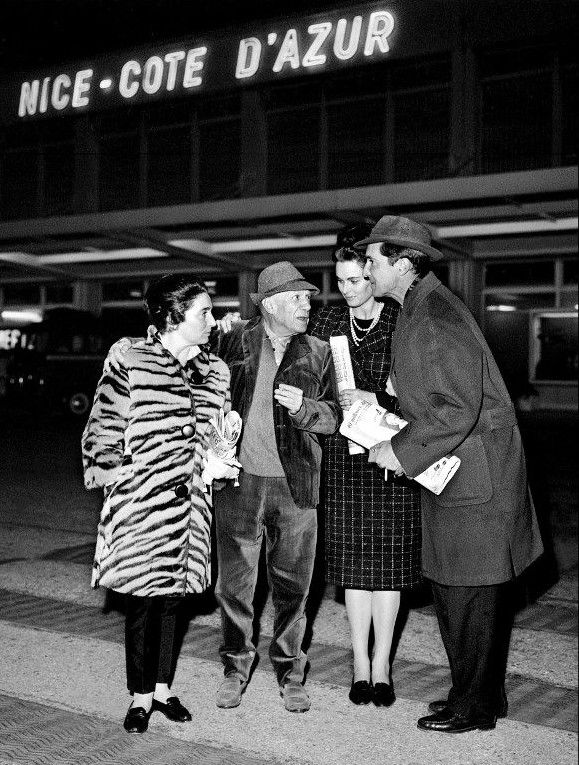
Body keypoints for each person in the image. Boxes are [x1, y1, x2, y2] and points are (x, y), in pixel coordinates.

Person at [357, 215, 543, 733]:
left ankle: (475, 708)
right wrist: (382, 404)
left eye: (372, 260)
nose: (367, 269)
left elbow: (456, 405)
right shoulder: (421, 309)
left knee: (468, 599)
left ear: (400, 262)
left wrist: (400, 449)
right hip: (462, 477)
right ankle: (477, 694)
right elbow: (433, 392)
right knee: (461, 597)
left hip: (475, 485)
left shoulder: (434, 315)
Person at [82, 274, 235, 734]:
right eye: (203, 313)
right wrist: (118, 488)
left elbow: (218, 436)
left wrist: (218, 463)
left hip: (191, 507)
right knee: (142, 603)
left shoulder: (216, 372)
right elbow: (103, 427)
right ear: (173, 317)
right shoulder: (131, 357)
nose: (211, 321)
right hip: (142, 506)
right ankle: (140, 696)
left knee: (174, 602)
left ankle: (164, 690)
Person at [212, 261, 340, 713]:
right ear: (269, 304)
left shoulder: (320, 352)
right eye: (297, 297)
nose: (309, 304)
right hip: (239, 482)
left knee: (294, 588)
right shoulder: (230, 340)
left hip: (295, 487)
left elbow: (335, 416)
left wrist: (306, 408)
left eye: (308, 297)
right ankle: (234, 667)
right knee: (234, 586)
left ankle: (290, 671)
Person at [308, 225, 421, 707]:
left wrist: (376, 396)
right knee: (355, 570)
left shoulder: (402, 321)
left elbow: (419, 392)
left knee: (388, 569)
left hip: (391, 455)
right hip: (344, 460)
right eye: (341, 280)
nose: (348, 290)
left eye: (356, 279)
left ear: (373, 276)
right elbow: (309, 382)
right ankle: (359, 664)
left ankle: (383, 667)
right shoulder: (327, 324)